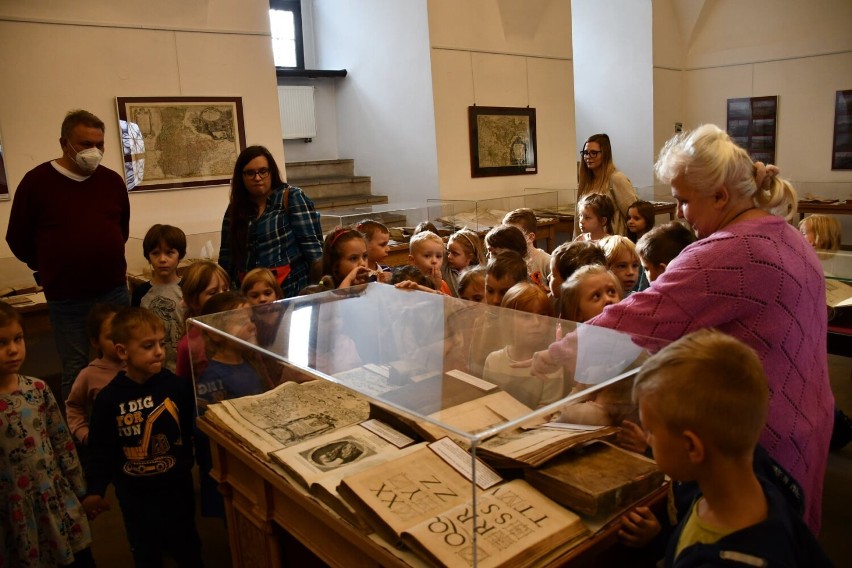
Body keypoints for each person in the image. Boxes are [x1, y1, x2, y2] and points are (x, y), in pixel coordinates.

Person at [535, 124, 833, 533]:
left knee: (747, 542)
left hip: (759, 433)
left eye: (684, 201)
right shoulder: (787, 234)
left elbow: (638, 314)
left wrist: (553, 351)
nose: (680, 214)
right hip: (806, 416)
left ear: (720, 196)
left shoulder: (727, 250)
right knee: (788, 542)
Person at [619, 329, 831, 567]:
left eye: (651, 432)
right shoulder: (743, 477)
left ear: (692, 447)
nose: (648, 439)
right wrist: (660, 540)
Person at [6, 109, 130, 401]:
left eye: (100, 144)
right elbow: (17, 238)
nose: (94, 151)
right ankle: (80, 437)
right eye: (86, 144)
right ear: (65, 143)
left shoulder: (111, 182)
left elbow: (121, 230)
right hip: (67, 297)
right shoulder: (36, 183)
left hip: (113, 291)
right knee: (75, 368)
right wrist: (48, 267)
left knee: (124, 359)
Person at [82, 307, 203, 566]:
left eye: (161, 343)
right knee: (146, 551)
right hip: (135, 493)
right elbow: (100, 449)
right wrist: (95, 489)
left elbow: (193, 429)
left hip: (176, 486)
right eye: (148, 346)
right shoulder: (109, 399)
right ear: (123, 351)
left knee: (187, 546)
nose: (159, 351)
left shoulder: (176, 386)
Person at [0, 302, 95, 567]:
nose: (13, 349)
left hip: (52, 498)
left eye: (17, 339)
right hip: (12, 507)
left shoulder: (38, 389)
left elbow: (62, 443)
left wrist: (82, 491)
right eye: (1, 342)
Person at [218, 145, 323, 298]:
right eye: (250, 173)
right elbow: (226, 256)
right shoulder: (235, 208)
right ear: (241, 177)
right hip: (249, 295)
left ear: (271, 172)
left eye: (262, 171)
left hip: (291, 291)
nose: (257, 177)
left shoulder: (291, 197)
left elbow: (314, 253)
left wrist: (317, 292)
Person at [483, 283, 562, 409]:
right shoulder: (493, 361)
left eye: (542, 315)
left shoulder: (550, 365)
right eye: (526, 316)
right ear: (507, 320)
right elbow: (487, 404)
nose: (536, 323)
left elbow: (545, 414)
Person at [65, 302, 124, 446]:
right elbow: (73, 406)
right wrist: (85, 435)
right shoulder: (89, 375)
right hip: (108, 450)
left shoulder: (140, 365)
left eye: (123, 334)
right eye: (111, 337)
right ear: (95, 342)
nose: (120, 341)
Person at [131, 224, 187, 371]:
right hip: (152, 368)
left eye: (169, 253)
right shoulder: (141, 293)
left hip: (183, 366)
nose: (162, 259)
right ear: (148, 257)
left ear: (180, 255)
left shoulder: (188, 288)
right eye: (155, 253)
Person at [175, 260, 230, 380]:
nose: (223, 297)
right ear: (194, 301)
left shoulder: (237, 330)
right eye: (213, 292)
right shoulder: (188, 345)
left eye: (225, 289)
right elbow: (183, 385)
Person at [575, 133, 637, 237]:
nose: (588, 157)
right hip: (589, 244)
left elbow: (635, 215)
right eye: (586, 153)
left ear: (605, 154)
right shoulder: (585, 182)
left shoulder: (617, 179)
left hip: (613, 243)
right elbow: (577, 222)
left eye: (593, 153)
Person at [502, 208, 552, 283]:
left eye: (514, 235)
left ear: (530, 237)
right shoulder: (504, 261)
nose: (508, 239)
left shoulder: (547, 261)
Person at [445, 227, 485, 296]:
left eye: (455, 253)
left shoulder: (478, 276)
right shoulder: (446, 268)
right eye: (448, 251)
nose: (449, 256)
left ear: (469, 257)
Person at [408, 230, 451, 294]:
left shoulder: (443, 284)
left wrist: (437, 287)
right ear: (412, 260)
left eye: (438, 256)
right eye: (427, 256)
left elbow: (449, 303)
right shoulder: (410, 284)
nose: (434, 261)